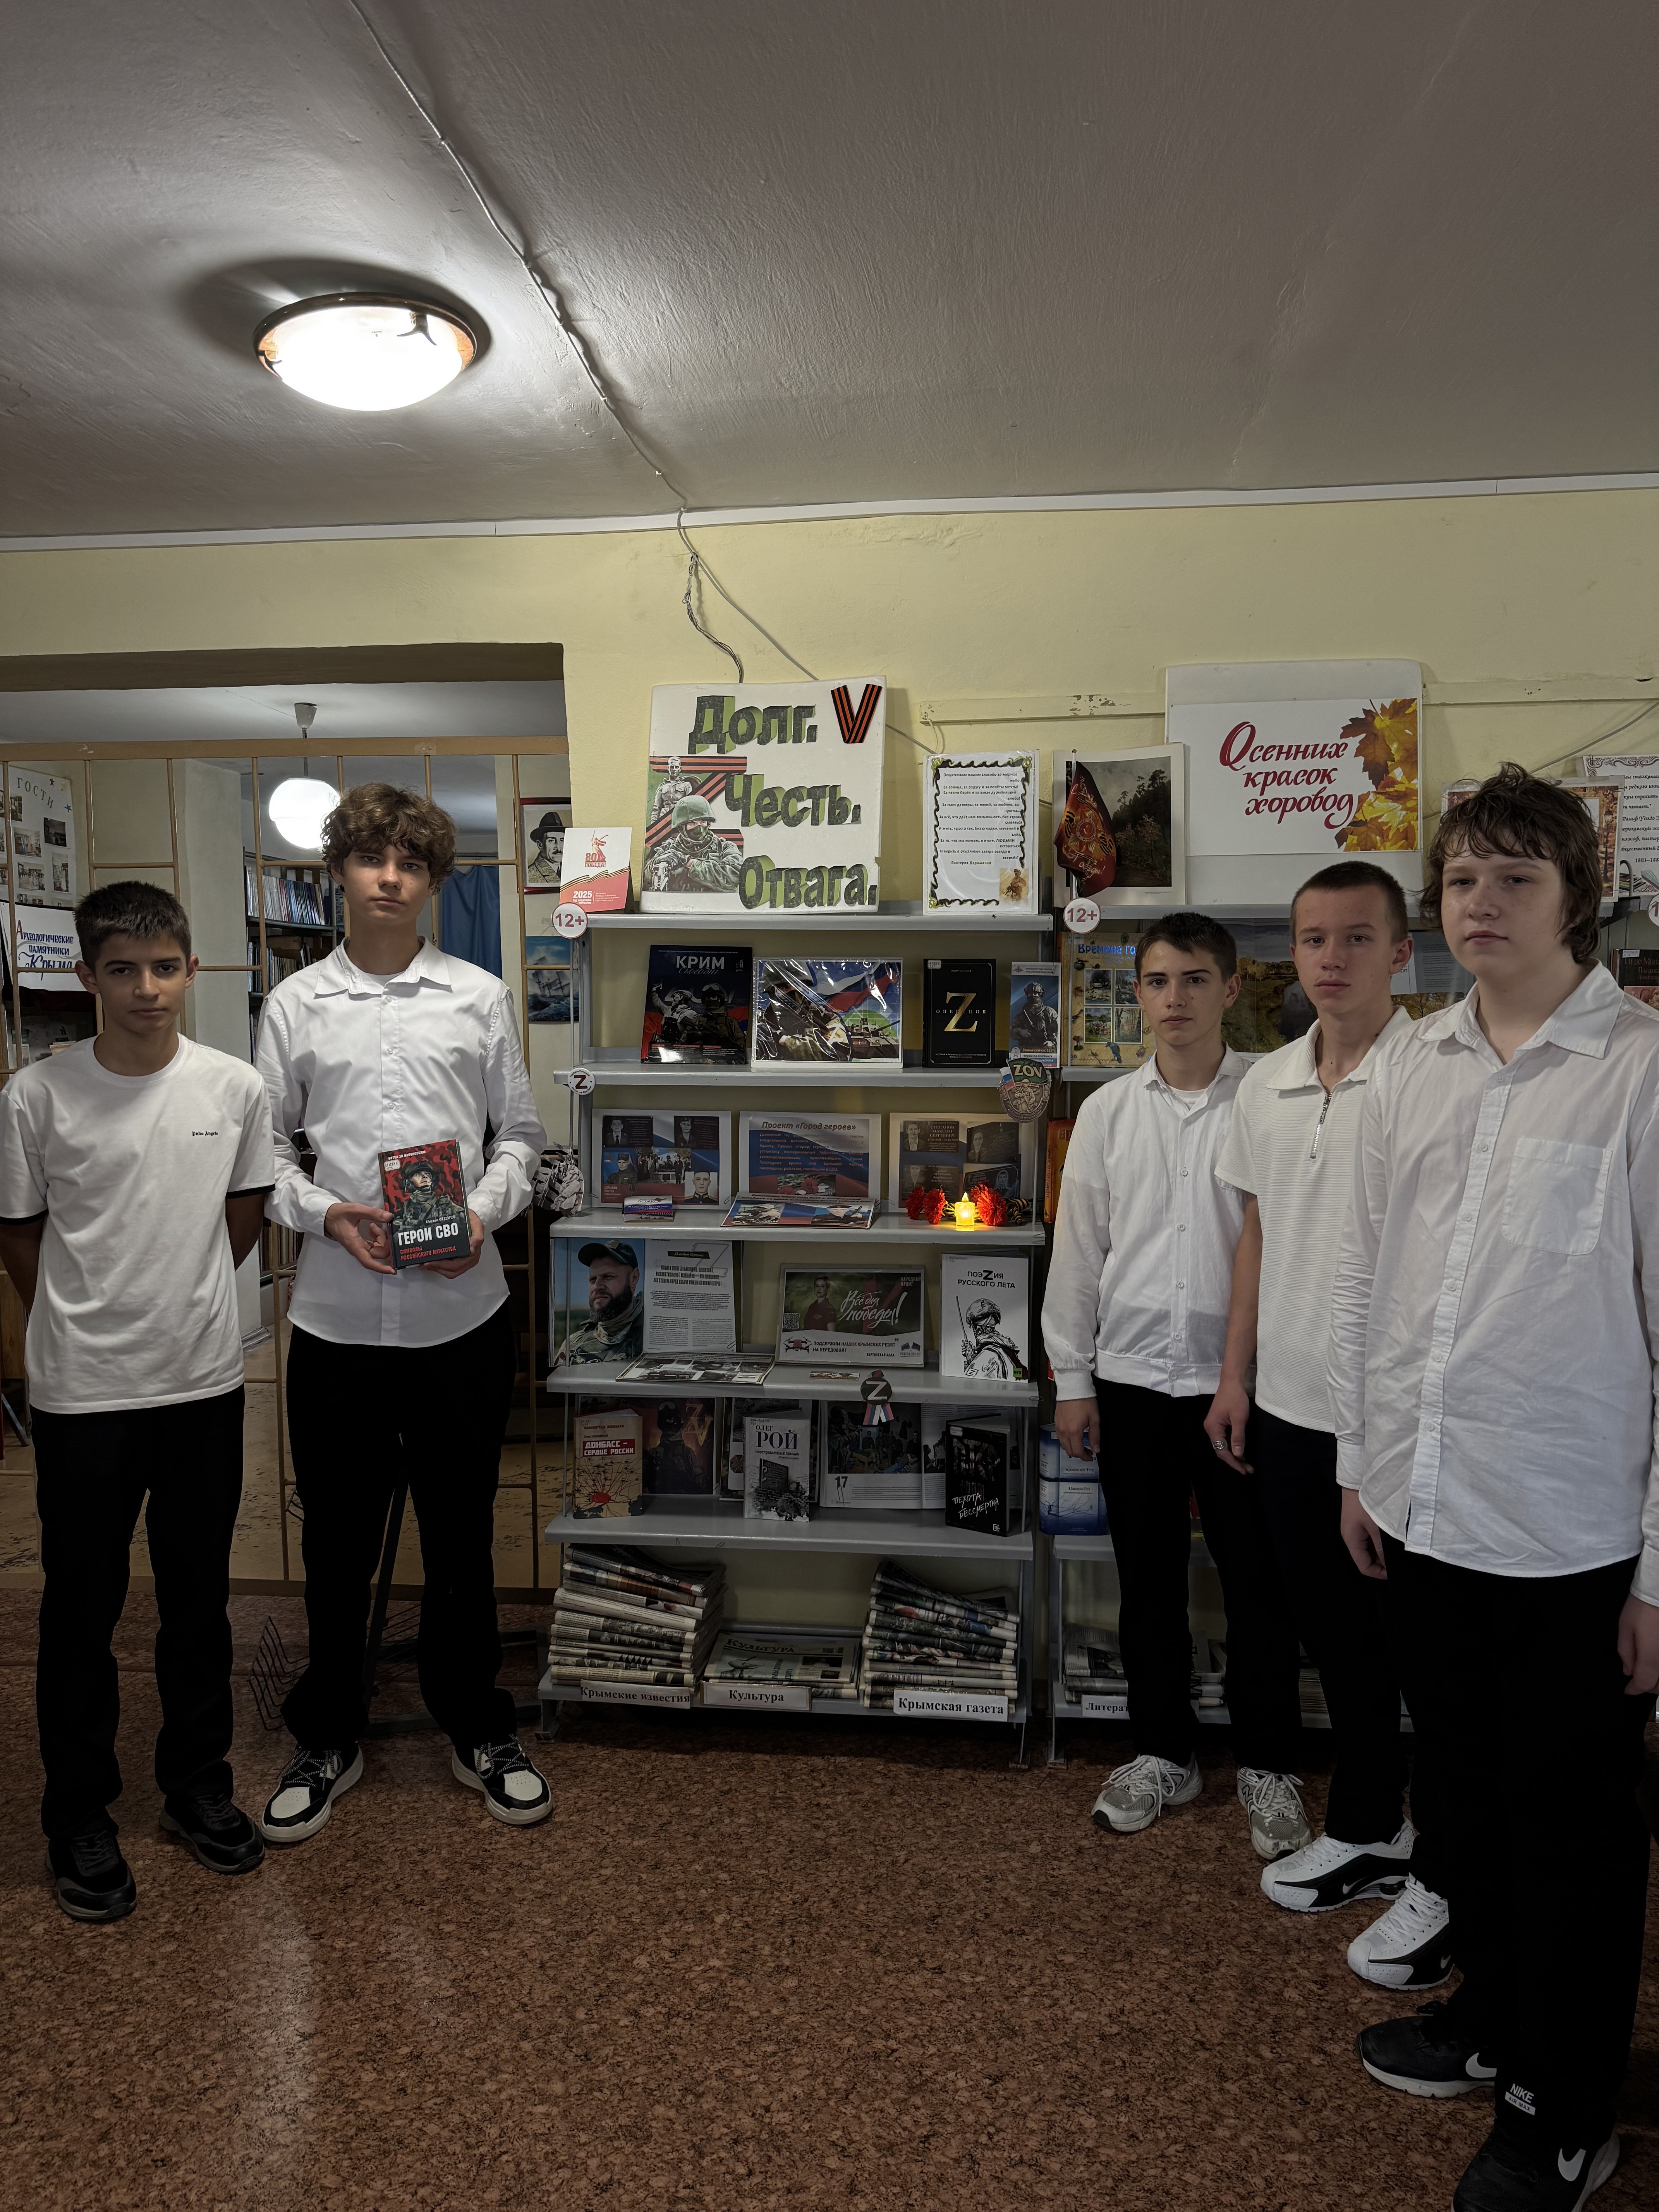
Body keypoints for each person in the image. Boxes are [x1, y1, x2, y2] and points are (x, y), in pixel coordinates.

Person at [1331, 766, 1659, 2212]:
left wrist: (1658, 1571)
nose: (1481, 901)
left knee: (1571, 1830)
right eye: (1462, 876)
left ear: (1577, 898)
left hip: (1570, 1535)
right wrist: (1361, 1464)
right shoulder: (1415, 1058)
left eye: (1516, 877)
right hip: (1425, 1508)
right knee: (1462, 1805)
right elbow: (1369, 1276)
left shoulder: (1639, 1071)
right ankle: (1493, 2020)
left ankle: (1562, 2107)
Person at [255, 784, 552, 1844]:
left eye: (411, 863)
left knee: (463, 1536)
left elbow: (520, 1137)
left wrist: (480, 1214)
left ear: (432, 882)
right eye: (371, 858)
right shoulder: (296, 1006)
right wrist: (324, 1214)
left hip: (460, 1317)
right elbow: (264, 1153)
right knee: (335, 1542)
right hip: (336, 1321)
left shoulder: (477, 996)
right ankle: (326, 1733)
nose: (390, 877)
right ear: (339, 870)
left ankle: (477, 1725)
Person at [0, 883, 274, 1921]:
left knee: (199, 1602)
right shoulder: (37, 1096)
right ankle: (78, 1811)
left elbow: (242, 1216)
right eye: (122, 970)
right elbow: (19, 1232)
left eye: (163, 967)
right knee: (81, 1609)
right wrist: (83, 1315)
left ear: (190, 970)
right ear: (88, 976)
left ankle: (197, 1785)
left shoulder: (234, 1087)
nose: (145, 988)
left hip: (200, 1382)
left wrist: (177, 1301)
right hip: (83, 1392)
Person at [1205, 860, 1452, 1989]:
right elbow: (1257, 1232)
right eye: (1314, 939)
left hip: (1399, 1423)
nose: (1333, 958)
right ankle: (1368, 1825)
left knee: (1424, 1652)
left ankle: (1445, 1861)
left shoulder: (1435, 1076)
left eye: (1358, 938)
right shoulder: (1266, 1083)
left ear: (1402, 952)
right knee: (1336, 1638)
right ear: (1291, 956)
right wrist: (1235, 1375)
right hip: (1292, 1410)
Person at [1043, 913, 1308, 1856]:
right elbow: (1080, 1253)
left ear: (1232, 989)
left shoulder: (1272, 1100)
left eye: (1195, 980)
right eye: (1158, 981)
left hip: (1246, 1387)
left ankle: (1269, 1762)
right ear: (1138, 994)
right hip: (1133, 1381)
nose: (1175, 999)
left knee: (1257, 1582)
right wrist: (1074, 1379)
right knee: (1147, 1579)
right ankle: (1163, 1752)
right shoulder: (1109, 1113)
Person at [554, 1240, 643, 1367]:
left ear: (634, 1279)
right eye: (593, 1279)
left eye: (608, 1277)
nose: (597, 1286)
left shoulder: (656, 1338)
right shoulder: (573, 1346)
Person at [641, 795, 743, 895]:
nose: (700, 828)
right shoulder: (667, 849)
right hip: (676, 904)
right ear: (681, 827)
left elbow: (735, 879)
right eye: (693, 824)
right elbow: (645, 884)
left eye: (703, 822)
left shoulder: (725, 848)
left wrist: (688, 862)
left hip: (714, 904)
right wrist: (654, 866)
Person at [1010, 978, 1059, 1057]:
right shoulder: (1022, 1015)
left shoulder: (1049, 1013)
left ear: (1040, 995)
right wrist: (1020, 1032)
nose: (1033, 996)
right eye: (1030, 994)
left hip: (1045, 1053)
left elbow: (1058, 1032)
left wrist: (1051, 1043)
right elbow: (1011, 1031)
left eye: (1035, 994)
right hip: (1026, 1052)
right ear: (1027, 995)